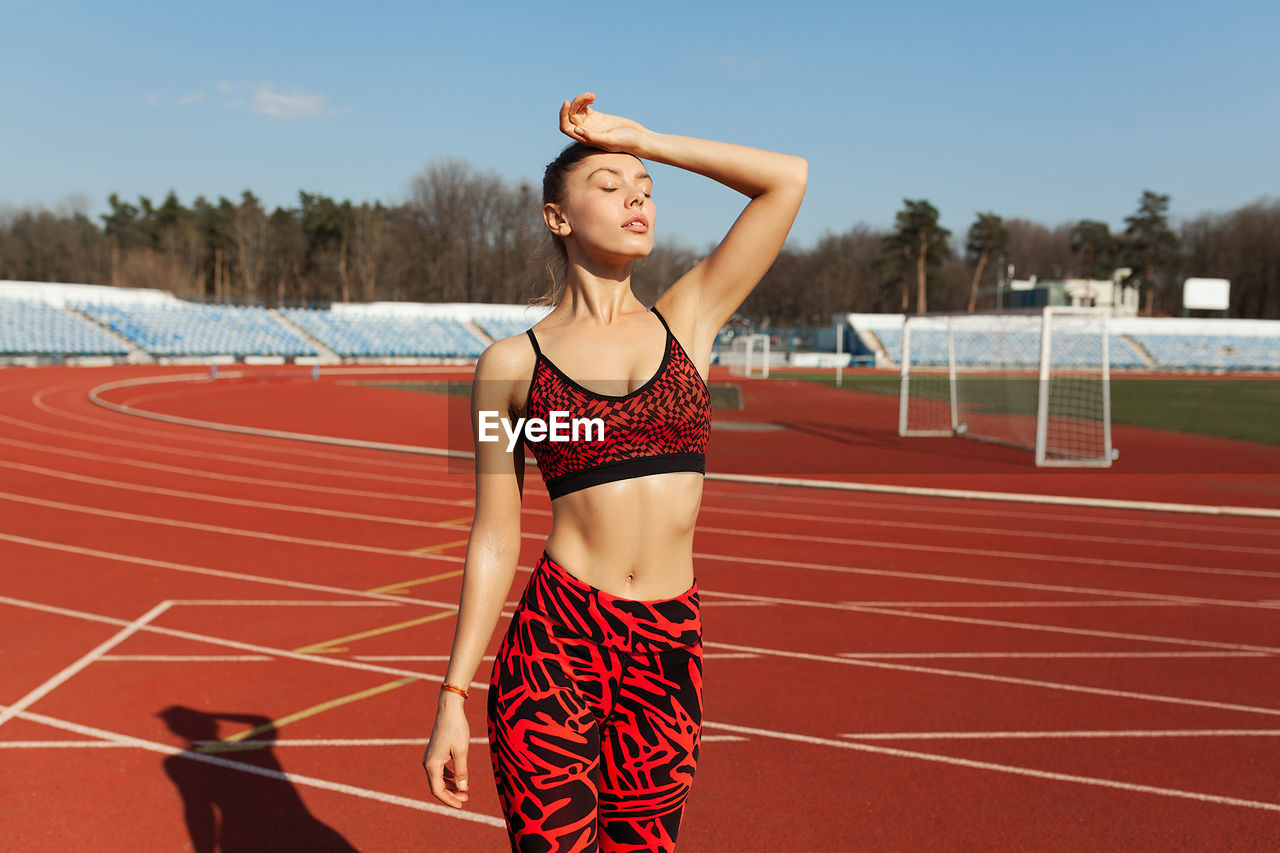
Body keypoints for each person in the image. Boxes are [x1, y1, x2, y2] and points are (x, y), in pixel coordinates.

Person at [422, 92, 807, 852]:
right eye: (608, 183)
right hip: (557, 643)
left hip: (667, 642)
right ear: (556, 217)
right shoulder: (509, 366)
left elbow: (787, 179)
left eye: (646, 189)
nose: (636, 195)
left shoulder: (688, 320)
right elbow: (496, 537)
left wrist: (640, 141)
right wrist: (452, 694)